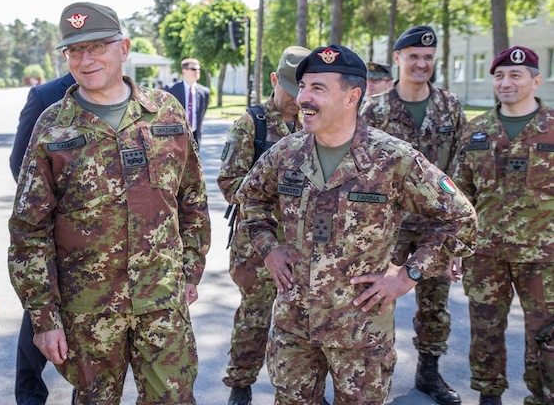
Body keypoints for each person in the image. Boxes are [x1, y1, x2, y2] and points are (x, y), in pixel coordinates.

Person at [236, 44, 477, 404]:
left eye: (318, 88)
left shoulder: (393, 159)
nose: (303, 97)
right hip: (294, 328)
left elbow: (461, 219)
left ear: (352, 96)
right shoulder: (286, 154)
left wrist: (407, 275)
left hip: (361, 333)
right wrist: (269, 249)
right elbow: (249, 199)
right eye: (303, 86)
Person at [8, 2, 211, 404]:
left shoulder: (165, 113)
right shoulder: (53, 125)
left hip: (162, 301)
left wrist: (191, 270)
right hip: (89, 310)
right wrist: (44, 318)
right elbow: (29, 229)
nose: (85, 60)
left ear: (124, 48)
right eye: (74, 51)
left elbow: (192, 199)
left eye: (97, 46)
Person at [360, 25, 466, 405]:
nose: (421, 63)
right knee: (371, 299)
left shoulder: (450, 107)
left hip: (436, 227)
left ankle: (429, 373)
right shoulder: (375, 109)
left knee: (435, 304)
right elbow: (360, 171)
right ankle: (367, 375)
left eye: (428, 58)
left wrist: (456, 243)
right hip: (388, 227)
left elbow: (460, 169)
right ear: (398, 59)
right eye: (414, 57)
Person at [452, 46, 554, 405]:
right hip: (485, 254)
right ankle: (488, 396)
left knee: (546, 336)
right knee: (484, 330)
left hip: (544, 257)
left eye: (515, 75)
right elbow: (460, 197)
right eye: (499, 75)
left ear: (536, 81)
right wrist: (455, 248)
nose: (505, 82)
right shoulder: (476, 130)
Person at [218, 45, 310, 405]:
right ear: (274, 80)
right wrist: (274, 189)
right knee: (254, 319)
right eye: (290, 88)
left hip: (301, 244)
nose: (297, 98)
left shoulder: (314, 122)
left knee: (300, 322)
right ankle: (240, 385)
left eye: (304, 88)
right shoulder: (251, 124)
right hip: (257, 243)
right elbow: (229, 184)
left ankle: (297, 389)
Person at [9, 69, 75, 405]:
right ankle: (29, 394)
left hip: (106, 241)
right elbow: (19, 162)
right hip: (53, 230)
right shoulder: (45, 95)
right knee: (39, 313)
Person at [165, 58, 210, 145]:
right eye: (194, 69)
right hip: (176, 136)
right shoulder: (171, 89)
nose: (197, 71)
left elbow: (202, 113)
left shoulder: (204, 92)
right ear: (184, 71)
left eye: (198, 69)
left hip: (196, 135)